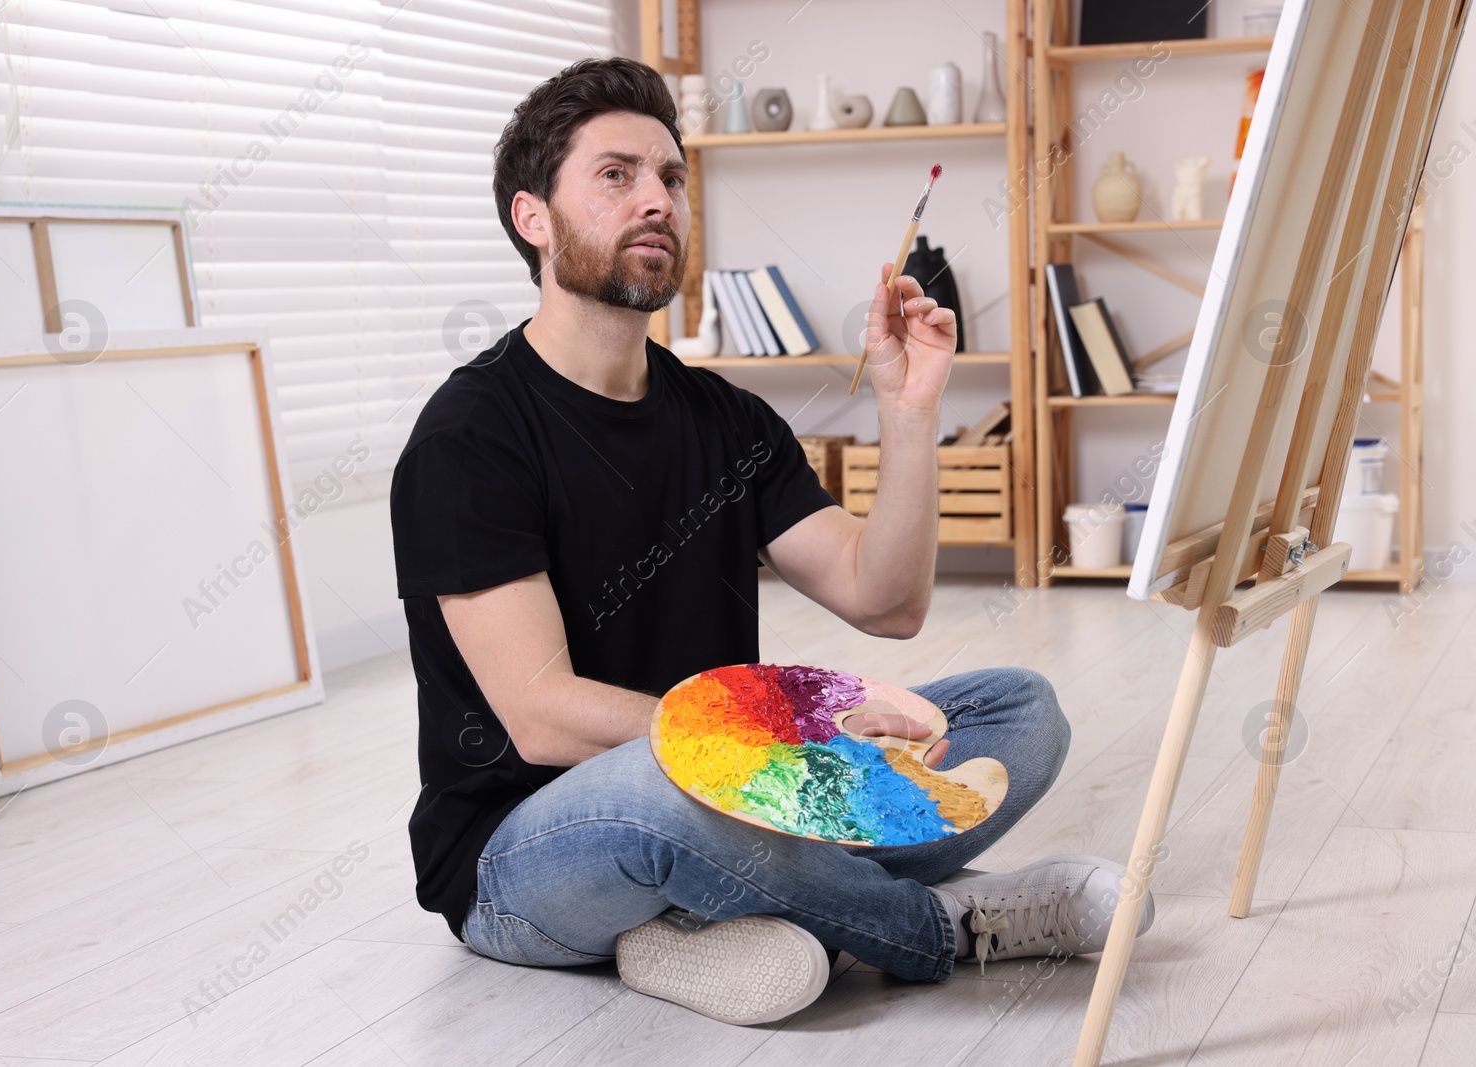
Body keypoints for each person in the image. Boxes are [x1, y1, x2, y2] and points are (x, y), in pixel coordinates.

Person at [389, 56, 1153, 1026]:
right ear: (531, 217)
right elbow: (541, 715)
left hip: (734, 786)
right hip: (526, 853)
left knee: (1016, 710)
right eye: (616, 175)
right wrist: (798, 724)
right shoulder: (472, 436)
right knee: (661, 795)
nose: (657, 199)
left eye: (671, 177)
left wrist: (907, 409)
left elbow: (886, 600)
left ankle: (715, 917)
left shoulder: (727, 421)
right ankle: (939, 924)